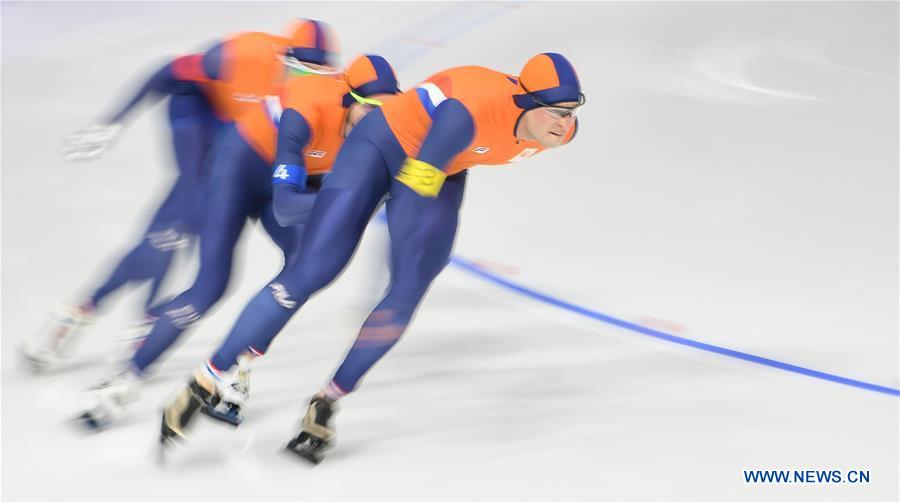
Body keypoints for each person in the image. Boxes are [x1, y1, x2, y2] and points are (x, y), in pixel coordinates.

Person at [159, 52, 583, 463]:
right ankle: (207, 379)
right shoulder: (466, 112)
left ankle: (327, 401)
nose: (564, 123)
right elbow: (417, 184)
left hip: (443, 168)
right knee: (314, 270)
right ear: (526, 102)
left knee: (407, 294)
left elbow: (431, 184)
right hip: (382, 146)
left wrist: (409, 267)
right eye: (555, 112)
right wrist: (367, 206)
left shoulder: (561, 132)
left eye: (571, 113)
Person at [79, 54, 401, 430]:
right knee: (211, 286)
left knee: (302, 271)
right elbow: (285, 208)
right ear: (349, 101)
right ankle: (125, 379)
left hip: (293, 179)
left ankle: (239, 369)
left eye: (388, 111)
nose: (380, 122)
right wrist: (353, 196)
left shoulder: (382, 123)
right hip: (238, 175)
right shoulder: (306, 109)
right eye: (373, 110)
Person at [21, 19, 340, 373]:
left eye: (316, 75)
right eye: (296, 70)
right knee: (185, 212)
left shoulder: (323, 97)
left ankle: (138, 315)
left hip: (245, 137)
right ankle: (85, 311)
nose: (303, 83)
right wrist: (113, 123)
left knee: (203, 226)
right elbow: (166, 73)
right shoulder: (241, 55)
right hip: (200, 113)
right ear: (283, 58)